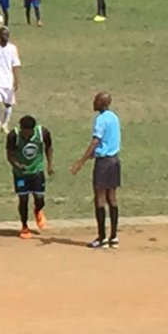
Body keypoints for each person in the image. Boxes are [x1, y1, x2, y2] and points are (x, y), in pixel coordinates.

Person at [70, 91, 122, 249]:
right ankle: (114, 236)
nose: (93, 102)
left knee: (99, 198)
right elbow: (109, 140)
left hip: (104, 162)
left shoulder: (100, 120)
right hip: (114, 160)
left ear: (102, 103)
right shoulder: (114, 117)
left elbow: (96, 141)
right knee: (112, 198)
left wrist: (81, 161)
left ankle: (102, 237)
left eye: (96, 100)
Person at [7, 115, 54, 239]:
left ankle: (38, 210)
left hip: (37, 171)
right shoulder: (14, 136)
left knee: (40, 198)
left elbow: (48, 147)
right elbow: (9, 155)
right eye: (24, 131)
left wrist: (49, 165)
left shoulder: (42, 133)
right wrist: (18, 164)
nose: (26, 135)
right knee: (23, 200)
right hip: (20, 174)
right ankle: (24, 226)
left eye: (29, 132)